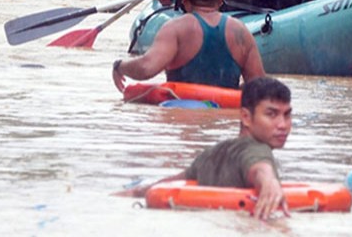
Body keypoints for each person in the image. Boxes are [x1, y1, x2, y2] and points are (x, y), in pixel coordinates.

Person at [116, 76, 293, 222]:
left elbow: (174, 180)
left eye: (287, 115)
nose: (283, 125)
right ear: (246, 117)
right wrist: (269, 182)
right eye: (271, 114)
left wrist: (134, 192)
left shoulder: (212, 154)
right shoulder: (257, 151)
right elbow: (260, 166)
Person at [112, 0, 265, 91]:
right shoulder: (241, 31)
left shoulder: (175, 29)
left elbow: (147, 67)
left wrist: (120, 66)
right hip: (226, 121)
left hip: (183, 114)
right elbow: (259, 86)